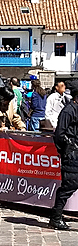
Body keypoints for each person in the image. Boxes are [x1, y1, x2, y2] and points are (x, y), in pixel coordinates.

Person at [49, 87, 78, 230]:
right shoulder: (68, 111)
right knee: (69, 186)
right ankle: (56, 217)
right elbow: (59, 134)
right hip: (72, 154)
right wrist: (67, 149)